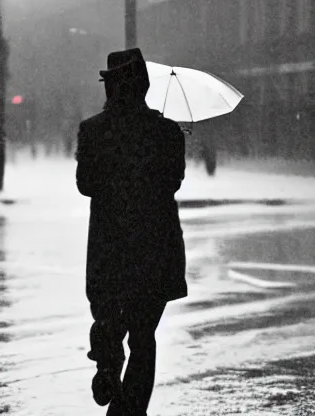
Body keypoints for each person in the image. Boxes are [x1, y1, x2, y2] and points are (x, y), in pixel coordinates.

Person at [75, 48, 188, 416]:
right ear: (144, 87)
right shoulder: (167, 132)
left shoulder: (92, 131)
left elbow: (85, 184)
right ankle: (129, 410)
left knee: (109, 320)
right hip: (154, 250)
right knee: (144, 338)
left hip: (109, 248)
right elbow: (173, 182)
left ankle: (107, 365)